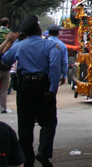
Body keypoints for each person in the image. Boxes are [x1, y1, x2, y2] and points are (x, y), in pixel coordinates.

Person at [1, 15, 62, 167]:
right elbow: (55, 68)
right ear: (38, 28)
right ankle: (43, 152)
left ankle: (27, 161)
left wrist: (14, 42)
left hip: (24, 87)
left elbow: (6, 60)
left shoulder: (19, 45)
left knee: (25, 125)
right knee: (48, 122)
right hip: (43, 87)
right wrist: (52, 89)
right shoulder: (49, 46)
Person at [0, 32, 19, 114]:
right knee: (4, 90)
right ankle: (3, 107)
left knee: (4, 90)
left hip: (5, 69)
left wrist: (9, 41)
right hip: (6, 69)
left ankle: (3, 107)